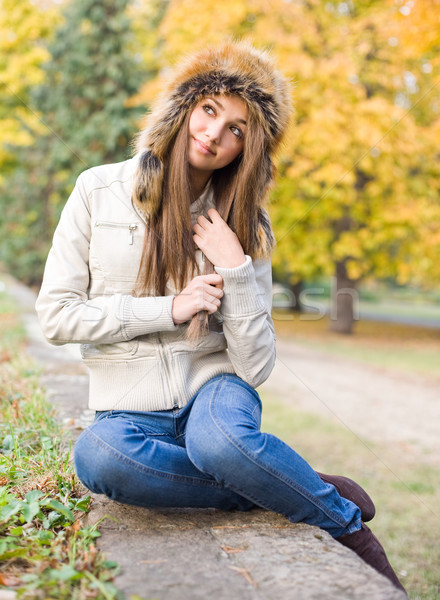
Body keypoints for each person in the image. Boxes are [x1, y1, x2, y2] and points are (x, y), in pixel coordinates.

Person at [35, 41, 406, 594]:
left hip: (215, 388)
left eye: (237, 128)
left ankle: (344, 527)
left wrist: (235, 267)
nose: (214, 133)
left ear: (247, 150)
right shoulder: (97, 190)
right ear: (183, 107)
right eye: (210, 109)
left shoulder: (246, 227)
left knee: (221, 444)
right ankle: (286, 484)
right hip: (128, 405)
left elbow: (255, 366)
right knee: (99, 457)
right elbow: (57, 315)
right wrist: (169, 308)